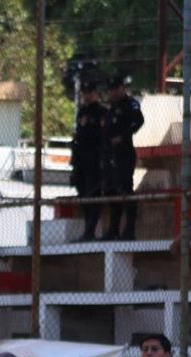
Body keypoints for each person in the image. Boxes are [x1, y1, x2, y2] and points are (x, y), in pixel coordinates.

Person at [101, 74, 144, 241]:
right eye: (110, 90)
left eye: (115, 89)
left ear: (122, 89)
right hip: (109, 155)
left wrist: (123, 136)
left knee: (125, 189)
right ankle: (114, 229)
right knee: (111, 190)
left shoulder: (130, 105)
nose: (112, 92)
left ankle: (130, 229)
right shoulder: (111, 109)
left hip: (124, 153)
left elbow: (138, 121)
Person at [69, 81, 107, 242]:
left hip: (94, 158)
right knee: (83, 193)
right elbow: (79, 132)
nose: (86, 95)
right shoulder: (81, 112)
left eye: (89, 92)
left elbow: (102, 135)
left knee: (93, 193)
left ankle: (91, 230)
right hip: (80, 159)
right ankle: (87, 229)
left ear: (96, 94)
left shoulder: (102, 112)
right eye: (84, 92)